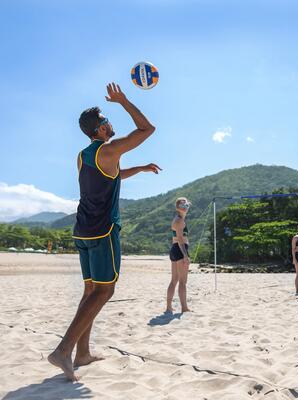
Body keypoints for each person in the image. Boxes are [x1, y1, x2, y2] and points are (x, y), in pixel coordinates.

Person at [48, 83, 160, 381]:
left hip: (82, 231)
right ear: (99, 130)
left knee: (90, 290)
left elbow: (112, 175)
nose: (111, 123)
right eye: (106, 121)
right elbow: (147, 129)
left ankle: (82, 353)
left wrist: (140, 168)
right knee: (105, 290)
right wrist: (124, 100)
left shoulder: (84, 155)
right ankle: (63, 350)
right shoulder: (109, 149)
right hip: (102, 231)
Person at [166, 197, 192, 313]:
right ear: (177, 207)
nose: (185, 206)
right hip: (180, 249)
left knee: (174, 280)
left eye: (186, 204)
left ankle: (168, 307)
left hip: (175, 249)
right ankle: (184, 308)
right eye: (182, 204)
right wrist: (186, 256)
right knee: (182, 281)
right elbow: (181, 240)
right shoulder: (179, 220)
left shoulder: (179, 219)